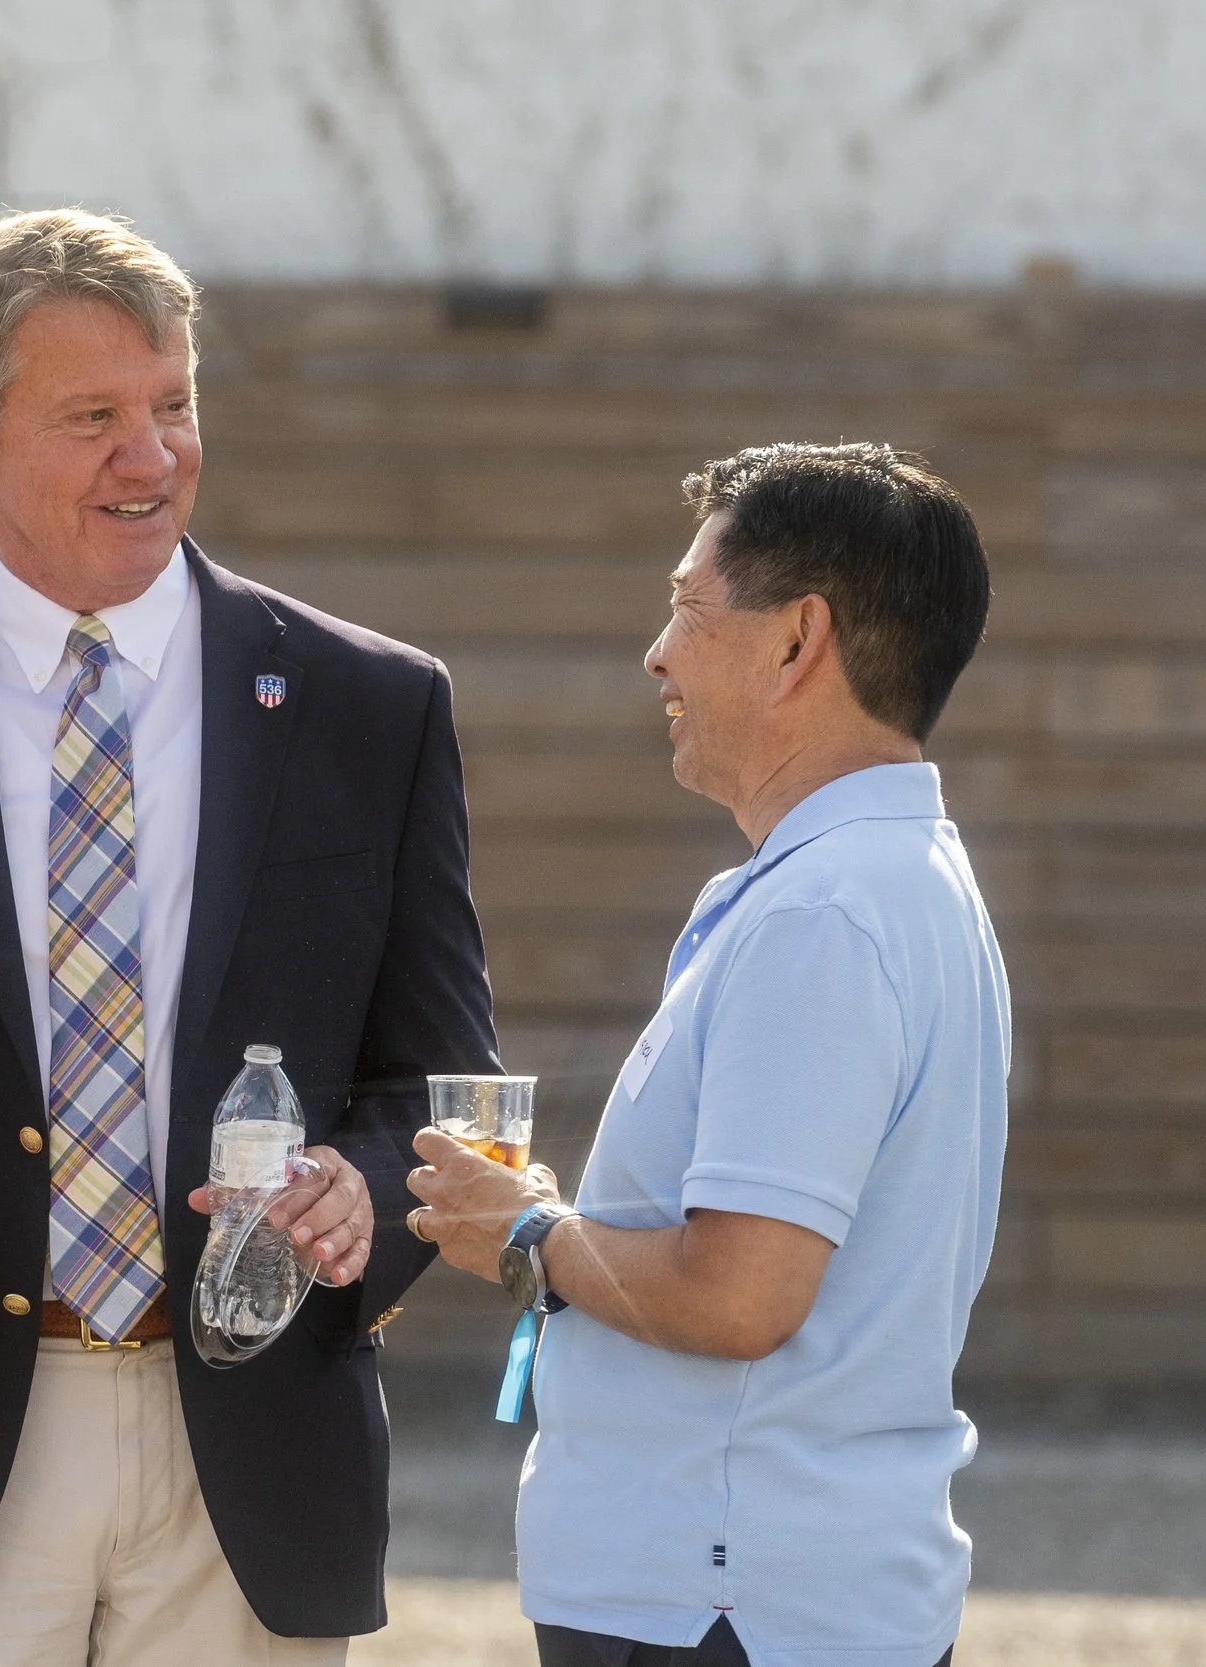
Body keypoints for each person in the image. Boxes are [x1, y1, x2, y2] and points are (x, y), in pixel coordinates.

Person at [0, 209, 498, 1663]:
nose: (154, 454)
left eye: (175, 403)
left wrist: (367, 1194)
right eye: (94, 417)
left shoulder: (374, 707)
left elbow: (435, 1081)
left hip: (252, 1442)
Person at [406, 442, 1004, 1667]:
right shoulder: (886, 880)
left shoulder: (821, 913)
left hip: (720, 1600)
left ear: (797, 641)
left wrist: (524, 1233)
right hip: (767, 1588)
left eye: (685, 606)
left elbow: (740, 1294)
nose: (656, 652)